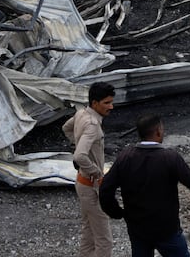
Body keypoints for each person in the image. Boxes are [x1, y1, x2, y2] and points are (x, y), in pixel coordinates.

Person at [99, 114, 190, 257]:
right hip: (166, 229)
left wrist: (118, 213)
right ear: (158, 132)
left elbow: (105, 189)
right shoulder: (170, 157)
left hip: (137, 228)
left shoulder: (125, 157)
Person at [63, 81, 116, 257]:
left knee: (89, 233)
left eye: (111, 102)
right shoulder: (93, 125)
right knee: (104, 241)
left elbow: (66, 128)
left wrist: (78, 143)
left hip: (82, 183)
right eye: (107, 103)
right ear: (95, 103)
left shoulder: (81, 113)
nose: (111, 106)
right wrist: (97, 173)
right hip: (91, 186)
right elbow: (79, 156)